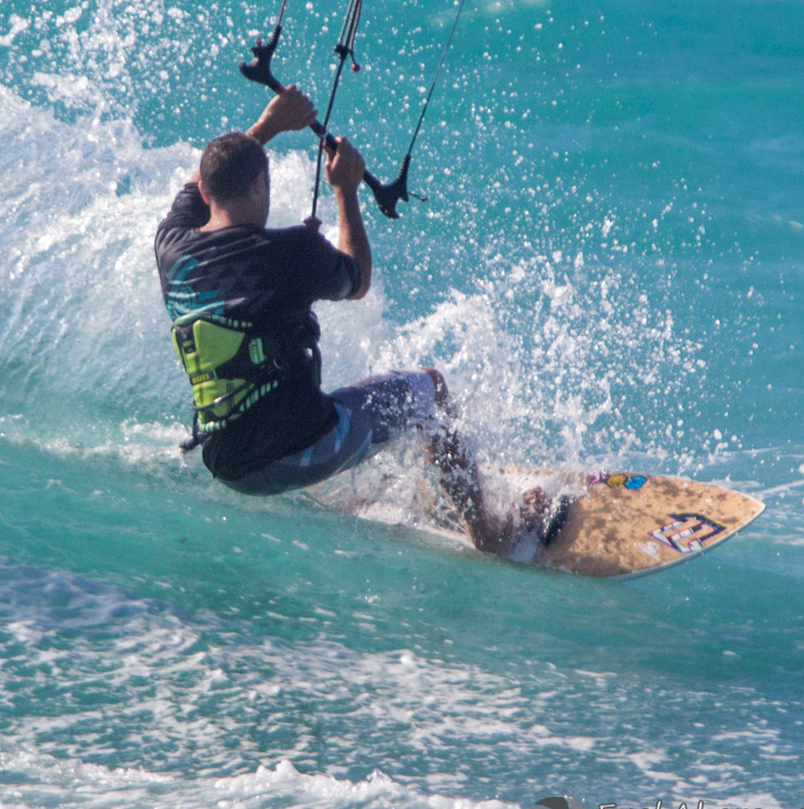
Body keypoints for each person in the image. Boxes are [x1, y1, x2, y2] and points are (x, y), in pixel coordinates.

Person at [153, 86, 535, 554]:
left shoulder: (172, 247)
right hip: (293, 455)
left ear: (207, 193)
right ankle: (493, 534)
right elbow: (357, 279)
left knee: (338, 397)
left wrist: (266, 126)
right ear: (259, 185)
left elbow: (200, 181)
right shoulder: (292, 252)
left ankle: (397, 485)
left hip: (226, 462)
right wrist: (345, 192)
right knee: (427, 390)